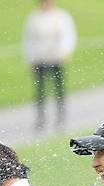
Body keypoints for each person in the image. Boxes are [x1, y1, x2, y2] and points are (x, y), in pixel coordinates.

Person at [22, 0, 77, 130]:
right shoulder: (34, 18)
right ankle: (41, 118)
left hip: (56, 57)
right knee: (40, 90)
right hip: (40, 58)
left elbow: (68, 36)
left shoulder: (61, 16)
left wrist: (65, 51)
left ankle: (60, 116)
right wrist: (30, 58)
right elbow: (29, 39)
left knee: (59, 88)